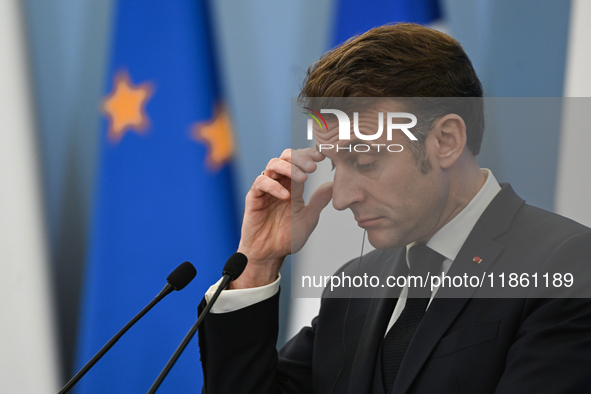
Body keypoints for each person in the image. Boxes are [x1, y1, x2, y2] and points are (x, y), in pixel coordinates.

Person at [198, 23, 591, 393]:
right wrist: (258, 263)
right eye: (335, 165)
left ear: (446, 140)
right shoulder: (351, 287)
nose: (340, 197)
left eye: (364, 161)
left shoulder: (567, 263)